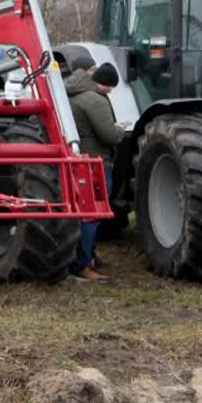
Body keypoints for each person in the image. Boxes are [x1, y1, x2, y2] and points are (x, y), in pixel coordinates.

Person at [63, 56, 124, 283]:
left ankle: (83, 257)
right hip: (96, 163)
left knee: (81, 214)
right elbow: (108, 134)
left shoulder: (72, 94)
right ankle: (84, 264)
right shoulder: (94, 100)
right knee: (92, 215)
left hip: (79, 161)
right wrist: (119, 131)